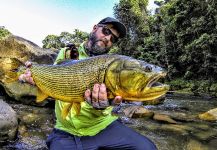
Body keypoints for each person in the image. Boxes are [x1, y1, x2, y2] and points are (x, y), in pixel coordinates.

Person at [19, 17, 157, 150]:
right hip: (65, 132)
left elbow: (116, 101)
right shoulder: (67, 52)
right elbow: (53, 77)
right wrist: (34, 77)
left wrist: (106, 105)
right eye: (106, 31)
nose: (108, 38)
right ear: (95, 28)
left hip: (103, 126)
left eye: (113, 38)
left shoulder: (113, 64)